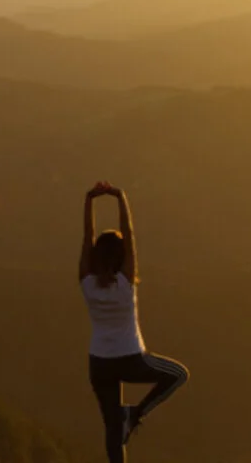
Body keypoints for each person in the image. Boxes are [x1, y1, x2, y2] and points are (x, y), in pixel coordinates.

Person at [79, 181, 189, 463]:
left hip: (99, 363)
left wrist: (90, 200)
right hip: (130, 358)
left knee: (112, 429)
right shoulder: (126, 283)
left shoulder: (87, 284)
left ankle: (124, 426)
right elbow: (129, 233)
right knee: (178, 375)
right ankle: (136, 412)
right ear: (121, 256)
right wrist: (120, 196)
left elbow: (87, 235)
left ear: (94, 257)